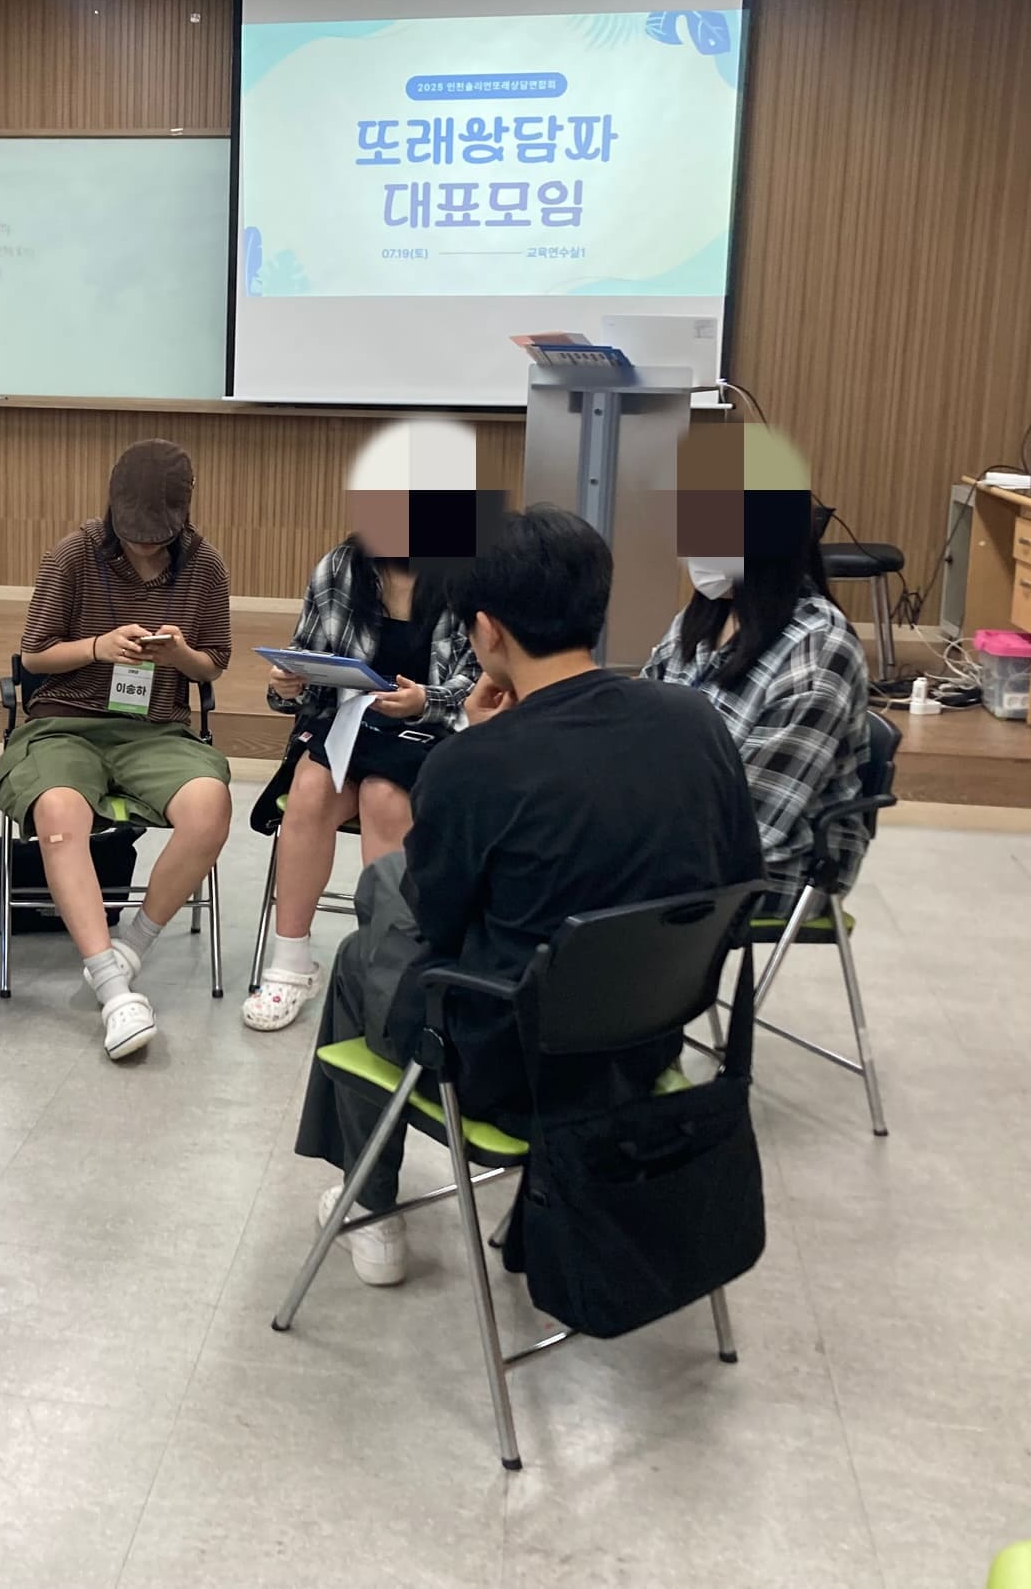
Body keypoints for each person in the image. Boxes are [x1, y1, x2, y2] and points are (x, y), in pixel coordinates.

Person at [293, 506, 763, 1286]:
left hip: (511, 1069)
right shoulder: (696, 722)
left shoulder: (474, 767)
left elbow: (438, 926)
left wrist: (477, 744)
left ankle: (367, 1208)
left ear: (486, 631)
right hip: (647, 1044)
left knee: (359, 949)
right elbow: (741, 877)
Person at [0, 440, 232, 1062]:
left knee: (210, 805)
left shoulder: (205, 566)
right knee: (58, 811)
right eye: (133, 536)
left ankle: (129, 948)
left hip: (155, 731)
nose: (145, 547)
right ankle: (111, 987)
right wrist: (98, 647)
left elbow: (213, 665)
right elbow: (34, 657)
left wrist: (179, 654)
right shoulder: (73, 555)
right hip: (65, 723)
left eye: (159, 538)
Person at [248, 529, 478, 1033]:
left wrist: (425, 700)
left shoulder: (468, 576)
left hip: (429, 729)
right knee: (309, 791)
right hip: (347, 721)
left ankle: (387, 967)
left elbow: (479, 681)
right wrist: (289, 681)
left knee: (384, 797)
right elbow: (305, 662)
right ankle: (291, 964)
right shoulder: (340, 568)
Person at [639, 489, 872, 912]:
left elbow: (751, 825)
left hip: (772, 868)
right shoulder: (704, 616)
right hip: (678, 833)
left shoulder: (817, 652)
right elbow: (635, 722)